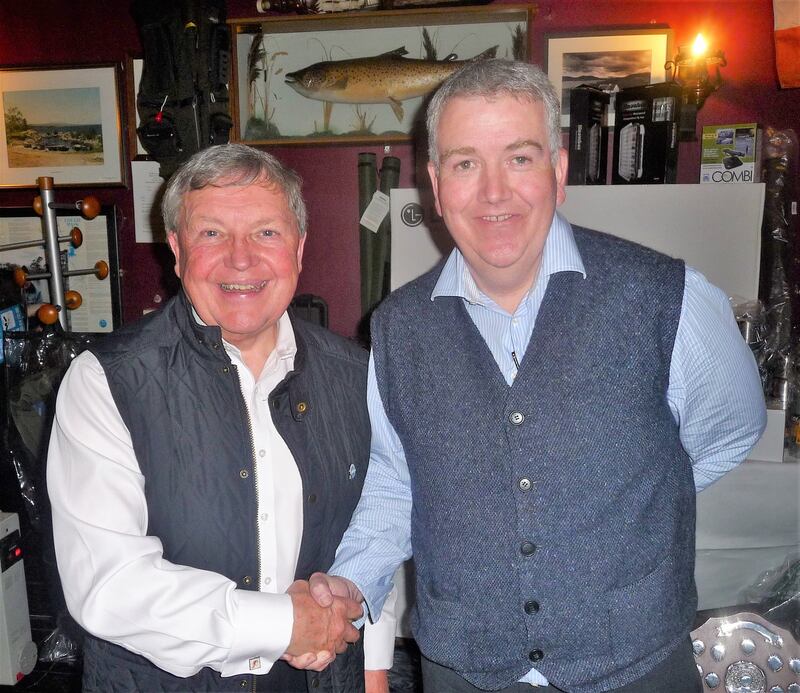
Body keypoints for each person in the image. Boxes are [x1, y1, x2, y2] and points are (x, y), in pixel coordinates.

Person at [303, 59, 768, 692]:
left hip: (635, 669)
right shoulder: (398, 328)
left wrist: (627, 502)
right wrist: (350, 582)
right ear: (436, 187)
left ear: (558, 171)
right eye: (466, 164)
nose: (494, 192)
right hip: (464, 671)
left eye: (519, 158)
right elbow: (395, 483)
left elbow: (727, 432)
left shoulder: (666, 297)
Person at [46, 143, 395, 693]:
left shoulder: (360, 376)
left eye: (266, 232)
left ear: (299, 249)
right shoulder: (105, 381)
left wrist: (374, 674)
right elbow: (108, 583)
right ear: (177, 251)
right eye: (212, 233)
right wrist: (283, 625)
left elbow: (376, 535)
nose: (240, 258)